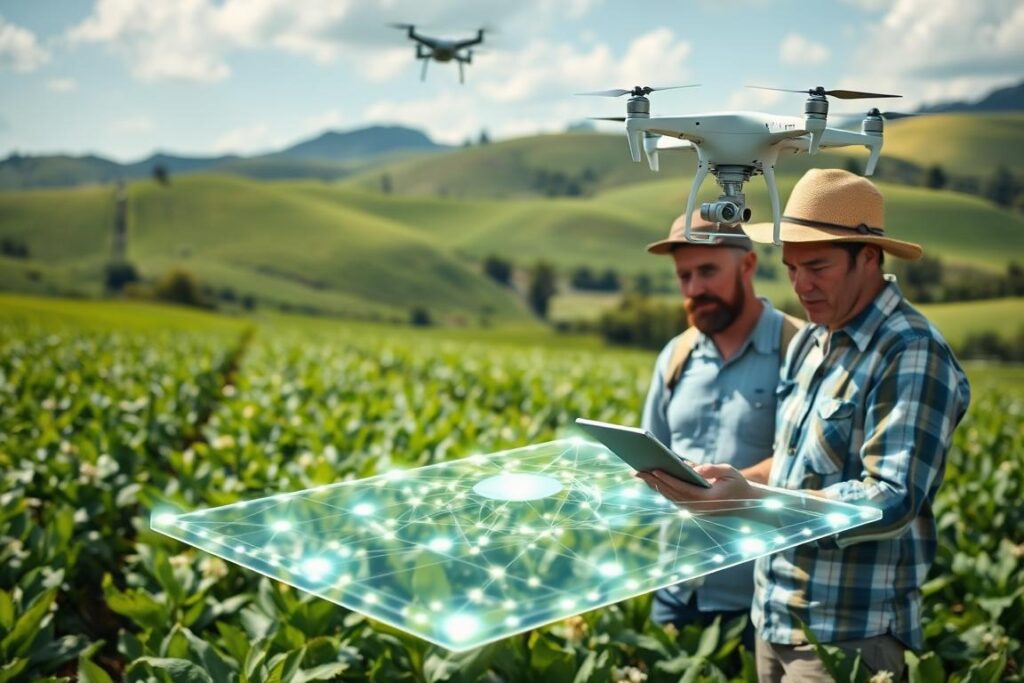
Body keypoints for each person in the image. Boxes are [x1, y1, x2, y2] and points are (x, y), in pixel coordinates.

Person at [635, 169, 971, 682]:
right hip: (774, 618)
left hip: (847, 632)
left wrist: (745, 502)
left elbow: (892, 500)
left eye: (817, 266)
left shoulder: (910, 349)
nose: (801, 284)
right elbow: (794, 467)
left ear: (869, 257)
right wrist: (731, 483)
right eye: (791, 267)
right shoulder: (813, 343)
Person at [641, 210, 802, 652]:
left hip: (759, 598)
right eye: (684, 276)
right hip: (676, 589)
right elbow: (650, 452)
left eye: (708, 271)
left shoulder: (800, 349)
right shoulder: (675, 356)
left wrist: (735, 487)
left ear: (747, 266)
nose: (694, 289)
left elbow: (809, 462)